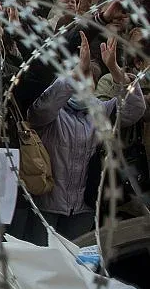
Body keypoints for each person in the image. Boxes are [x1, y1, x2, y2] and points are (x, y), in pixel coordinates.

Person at [25, 33, 145, 245]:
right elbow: (41, 109)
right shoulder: (55, 112)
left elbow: (135, 110)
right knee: (43, 261)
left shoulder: (100, 111)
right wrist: (74, 74)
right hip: (47, 203)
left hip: (84, 207)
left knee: (74, 264)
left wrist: (117, 73)